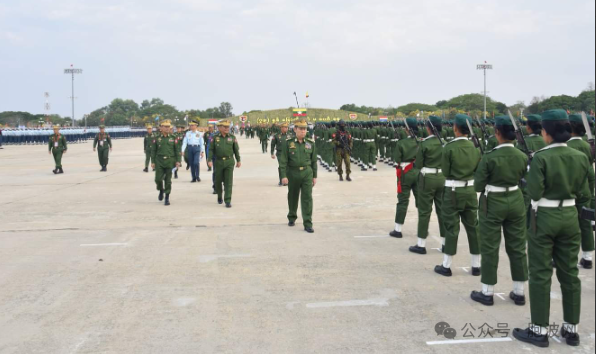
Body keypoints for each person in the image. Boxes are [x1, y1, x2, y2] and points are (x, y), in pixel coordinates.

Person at [513, 110, 591, 348]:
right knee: (569, 273)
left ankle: (539, 330)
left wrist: (527, 180)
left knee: (540, 273)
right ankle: (571, 330)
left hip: (544, 217)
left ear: (545, 132)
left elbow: (535, 193)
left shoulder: (540, 157)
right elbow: (585, 194)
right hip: (569, 216)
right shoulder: (580, 156)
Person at [470, 115, 529, 307]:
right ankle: (519, 291)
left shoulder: (490, 156)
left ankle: (487, 291)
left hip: (493, 202)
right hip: (516, 199)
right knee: (518, 246)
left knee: (490, 246)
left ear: (497, 133)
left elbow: (478, 185)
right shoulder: (522, 156)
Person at [435, 114, 482, 277]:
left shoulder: (449, 147)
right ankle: (476, 265)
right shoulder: (475, 147)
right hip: (470, 191)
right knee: (473, 228)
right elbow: (477, 170)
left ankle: (446, 265)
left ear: (455, 128)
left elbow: (446, 172)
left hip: (453, 191)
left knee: (451, 227)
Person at [410, 116, 444, 254]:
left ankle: (421, 244)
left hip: (427, 178)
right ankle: (445, 243)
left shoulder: (424, 144)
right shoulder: (445, 143)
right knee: (442, 212)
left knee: (424, 211)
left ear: (429, 128)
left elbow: (418, 164)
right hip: (442, 178)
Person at [279, 119, 317, 233]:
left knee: (307, 199)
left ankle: (308, 223)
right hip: (293, 173)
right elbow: (283, 160)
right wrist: (283, 175)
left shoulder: (310, 143)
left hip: (307, 173)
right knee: (292, 196)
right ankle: (292, 216)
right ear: (295, 129)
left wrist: (314, 176)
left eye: (305, 129)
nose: (303, 131)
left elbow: (314, 161)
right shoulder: (288, 143)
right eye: (300, 129)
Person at [567, 114, 595, 269]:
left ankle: (566, 257)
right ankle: (587, 257)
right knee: (585, 224)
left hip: (569, 189)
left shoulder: (566, 145)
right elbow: (590, 171)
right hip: (584, 189)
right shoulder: (587, 146)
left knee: (568, 226)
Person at [390, 118, 420, 238]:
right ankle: (422, 228)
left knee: (403, 201)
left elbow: (397, 159)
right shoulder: (421, 142)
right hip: (418, 173)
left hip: (405, 174)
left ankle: (398, 229)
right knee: (421, 202)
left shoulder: (401, 143)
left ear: (408, 129)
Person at [208, 120, 241, 208]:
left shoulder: (232, 137)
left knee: (228, 181)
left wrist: (238, 160)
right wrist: (209, 160)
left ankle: (227, 200)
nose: (227, 128)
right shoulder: (214, 137)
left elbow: (236, 150)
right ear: (219, 127)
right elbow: (211, 149)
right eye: (225, 127)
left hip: (229, 161)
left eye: (228, 127)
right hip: (218, 162)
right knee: (218, 181)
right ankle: (219, 195)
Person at [151, 120, 181, 206]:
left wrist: (178, 161)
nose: (167, 128)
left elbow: (177, 150)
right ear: (161, 128)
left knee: (168, 181)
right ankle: (161, 190)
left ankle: (167, 197)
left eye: (168, 127)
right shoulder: (156, 138)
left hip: (170, 161)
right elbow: (153, 151)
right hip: (159, 161)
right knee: (158, 179)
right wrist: (152, 161)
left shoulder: (173, 137)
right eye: (165, 126)